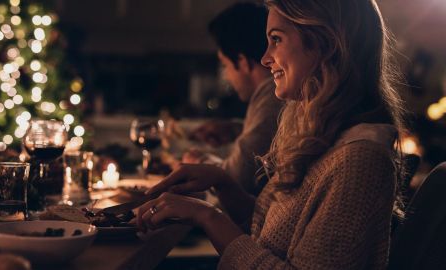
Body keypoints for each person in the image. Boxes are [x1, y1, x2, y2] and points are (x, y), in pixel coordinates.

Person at [135, 0, 406, 269]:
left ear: (327, 43)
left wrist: (208, 216)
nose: (265, 59)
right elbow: (274, 233)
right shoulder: (324, 136)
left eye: (276, 39)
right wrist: (223, 183)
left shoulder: (360, 160)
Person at [183, 2, 284, 194]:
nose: (227, 76)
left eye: (224, 65)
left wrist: (197, 162)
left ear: (242, 62)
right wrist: (236, 129)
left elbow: (238, 179)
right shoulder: (269, 96)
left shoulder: (274, 96)